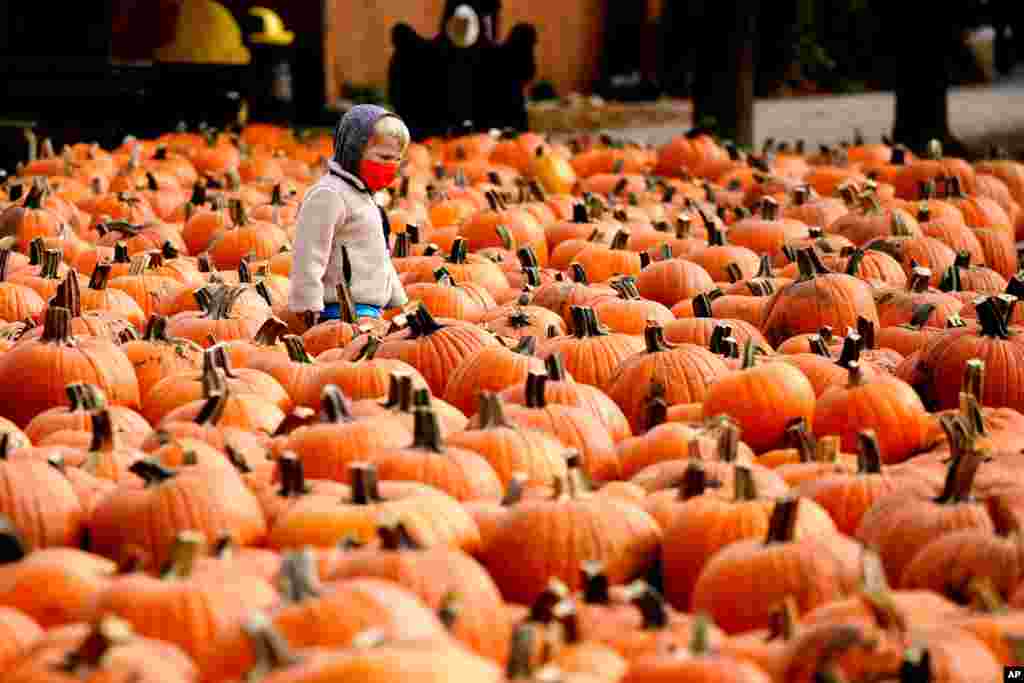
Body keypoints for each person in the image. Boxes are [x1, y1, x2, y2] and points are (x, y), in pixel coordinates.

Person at [288, 105, 409, 327]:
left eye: (396, 159)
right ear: (354, 150)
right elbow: (309, 251)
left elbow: (377, 254)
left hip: (369, 309)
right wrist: (307, 301)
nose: (391, 166)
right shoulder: (330, 194)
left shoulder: (364, 196)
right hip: (339, 312)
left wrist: (397, 297)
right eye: (383, 157)